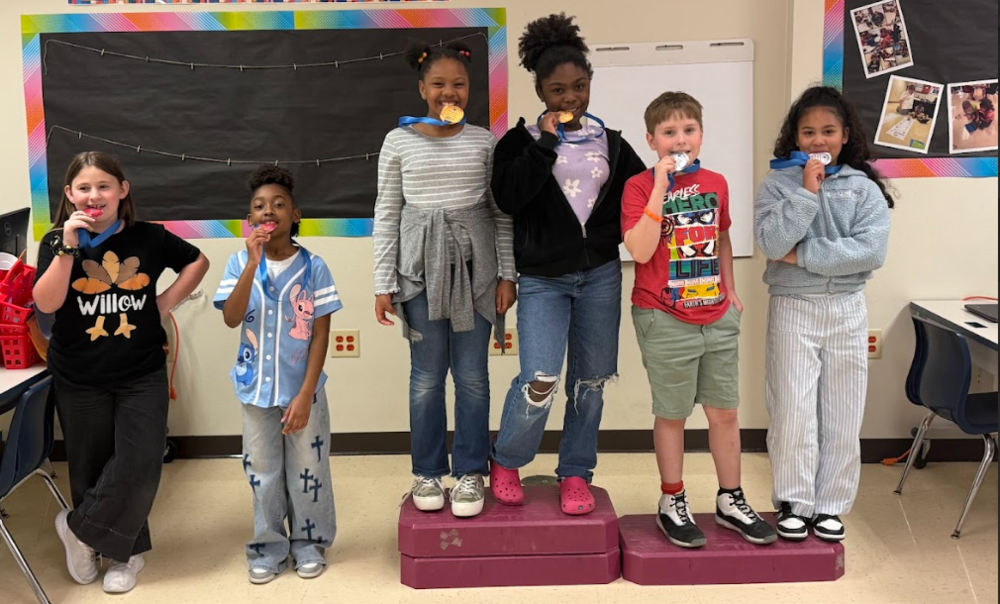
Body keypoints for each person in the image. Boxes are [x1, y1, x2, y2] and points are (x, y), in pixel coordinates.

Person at [488, 13, 646, 516]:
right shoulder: (518, 143)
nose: (571, 98)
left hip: (600, 273)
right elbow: (509, 199)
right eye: (558, 90)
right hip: (542, 279)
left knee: (591, 380)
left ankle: (576, 471)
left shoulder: (614, 144)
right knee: (539, 378)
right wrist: (546, 143)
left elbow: (641, 200)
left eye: (579, 87)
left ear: (590, 84)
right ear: (540, 90)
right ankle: (507, 459)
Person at [33, 151, 209, 593]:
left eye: (104, 186)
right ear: (70, 194)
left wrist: (165, 303)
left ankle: (79, 530)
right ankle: (116, 551)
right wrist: (69, 249)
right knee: (91, 466)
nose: (95, 196)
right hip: (79, 373)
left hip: (141, 369)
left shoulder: (148, 238)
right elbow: (47, 304)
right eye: (85, 188)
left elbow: (197, 261)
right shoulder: (57, 240)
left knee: (141, 460)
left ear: (122, 191)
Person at [622, 92, 776, 548]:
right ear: (652, 140)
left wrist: (730, 291)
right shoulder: (636, 187)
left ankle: (731, 499)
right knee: (672, 414)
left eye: (688, 130)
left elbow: (722, 237)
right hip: (663, 316)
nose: (680, 139)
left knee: (725, 412)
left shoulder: (717, 182)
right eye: (669, 132)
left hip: (716, 316)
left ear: (701, 135)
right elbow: (641, 250)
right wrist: (659, 188)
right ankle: (672, 500)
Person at [373, 41, 517, 518]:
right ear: (422, 89)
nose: (448, 91)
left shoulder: (483, 141)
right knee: (426, 378)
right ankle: (427, 471)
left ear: (470, 90)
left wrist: (507, 275)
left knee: (473, 377)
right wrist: (382, 281)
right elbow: (387, 212)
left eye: (458, 83)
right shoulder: (399, 141)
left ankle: (472, 471)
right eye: (438, 83)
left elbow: (500, 215)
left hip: (477, 274)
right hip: (418, 274)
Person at [755, 86, 893, 542]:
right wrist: (807, 192)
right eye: (808, 131)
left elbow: (869, 252)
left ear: (845, 135)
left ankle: (831, 504)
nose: (818, 141)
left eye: (828, 131)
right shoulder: (777, 185)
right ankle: (795, 501)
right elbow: (774, 246)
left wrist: (805, 255)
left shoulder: (864, 188)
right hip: (794, 307)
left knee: (843, 412)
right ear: (795, 136)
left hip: (848, 309)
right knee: (793, 409)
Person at [215, 165, 341, 583]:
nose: (268, 210)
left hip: (302, 391)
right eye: (259, 206)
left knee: (308, 468)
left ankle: (309, 543)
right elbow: (232, 318)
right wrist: (251, 264)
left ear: (295, 214)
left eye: (278, 204)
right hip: (255, 392)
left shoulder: (314, 267)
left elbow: (320, 335)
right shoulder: (238, 263)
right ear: (249, 219)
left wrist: (306, 394)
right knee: (262, 471)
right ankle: (268, 548)